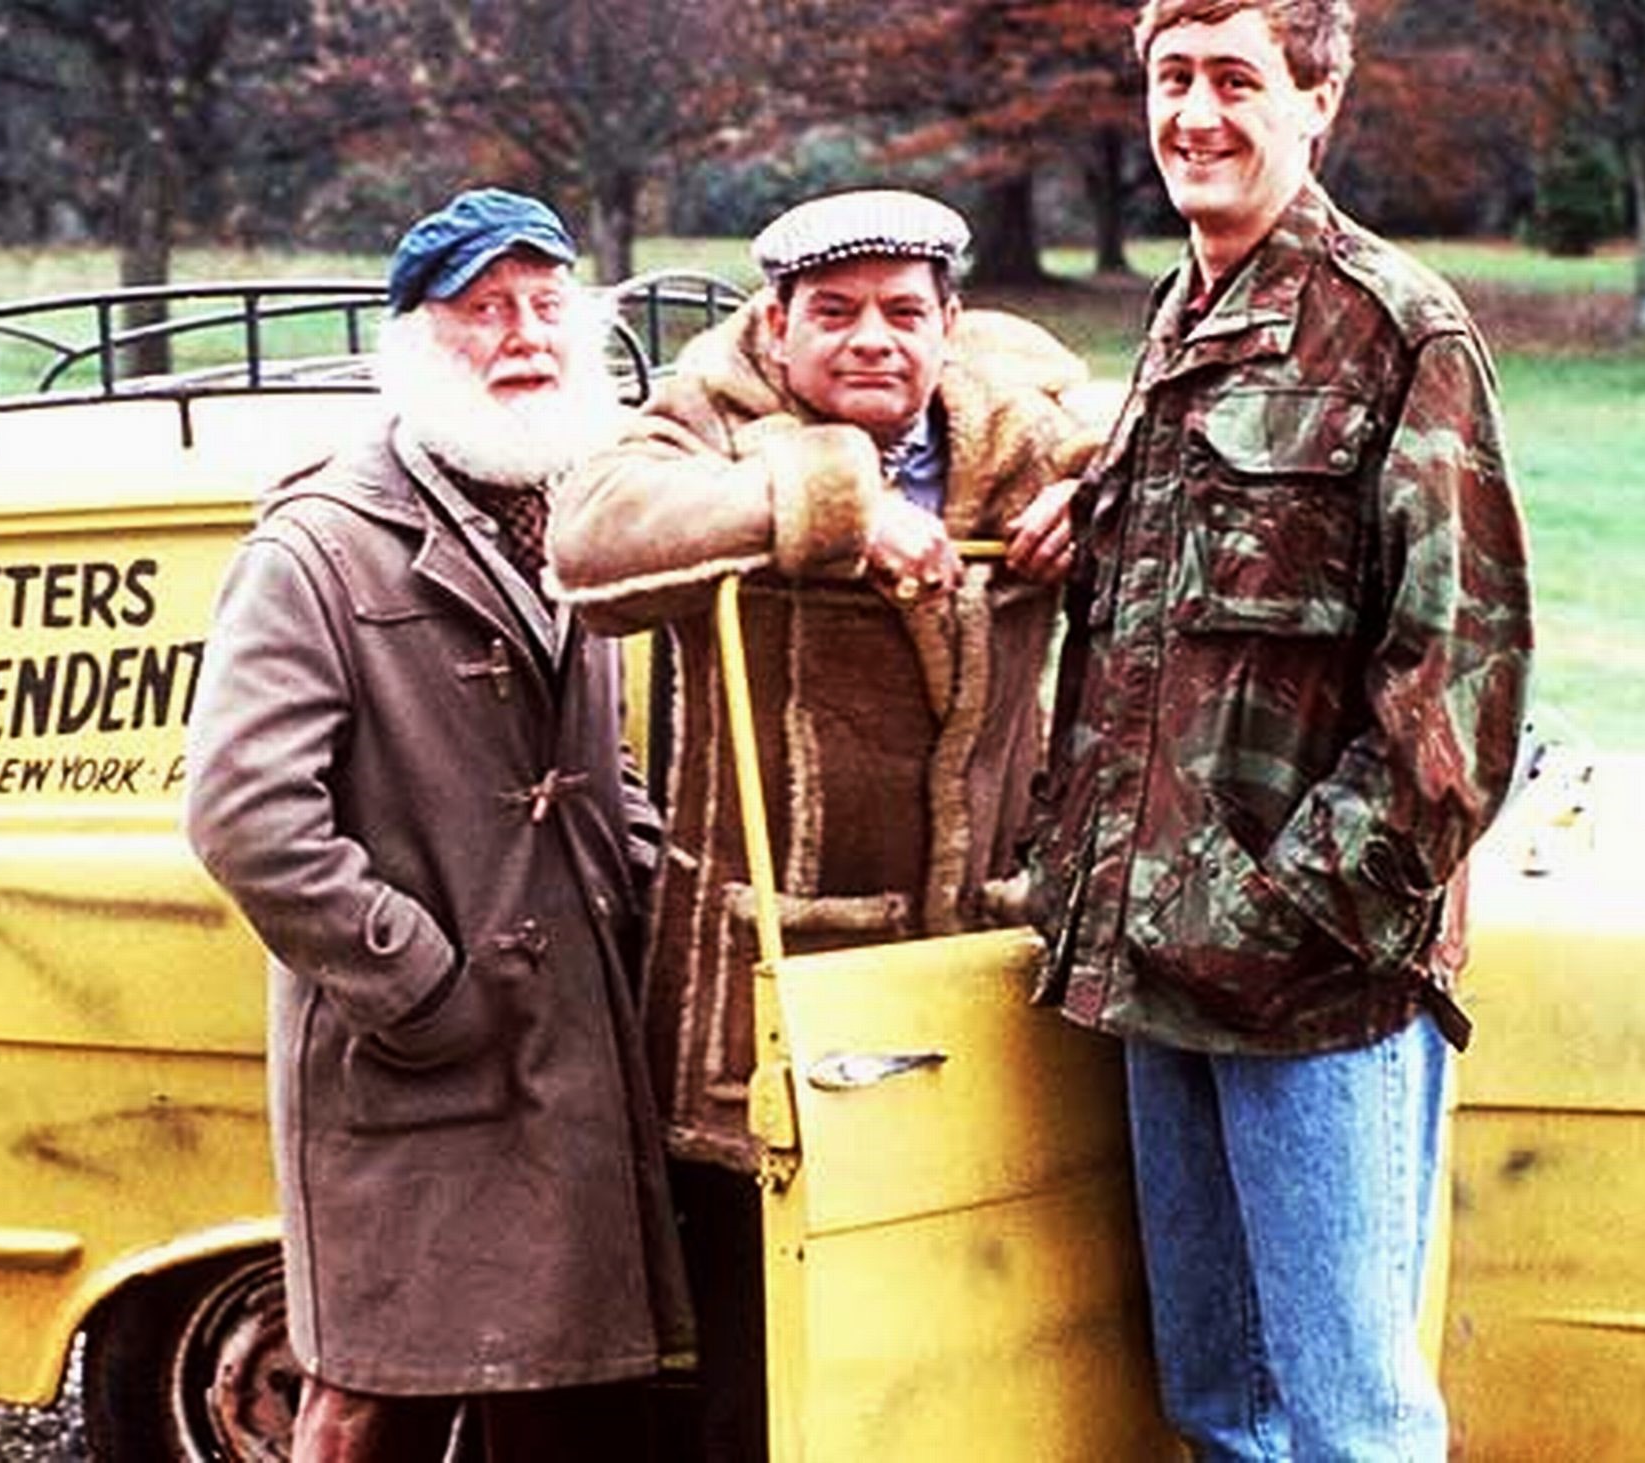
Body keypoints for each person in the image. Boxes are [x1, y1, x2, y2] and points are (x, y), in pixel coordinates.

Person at [1021, 4, 1535, 1459]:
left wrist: (1290, 912)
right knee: (1220, 1409)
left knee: (1349, 1419)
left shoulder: (1396, 327)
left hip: (1312, 988)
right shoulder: (1178, 318)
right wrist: (1087, 511)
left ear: (1318, 100)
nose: (1194, 114)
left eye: (1235, 80)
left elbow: (1462, 683)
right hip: (1156, 968)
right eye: (1171, 77)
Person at [546, 188, 1113, 1460]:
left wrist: (1098, 498)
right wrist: (829, 503)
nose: (872, 339)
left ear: (949, 326)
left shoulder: (1015, 427)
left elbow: (1153, 450)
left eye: (904, 313)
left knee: (961, 1348)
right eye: (835, 312)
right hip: (769, 1002)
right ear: (776, 325)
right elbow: (589, 543)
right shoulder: (711, 418)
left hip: (973, 983)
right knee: (769, 1361)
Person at [183, 187, 692, 1463]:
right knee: (374, 1403)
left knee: (565, 1394)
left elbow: (599, 759)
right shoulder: (316, 547)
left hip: (570, 1053)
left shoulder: (575, 512)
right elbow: (246, 814)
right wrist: (419, 983)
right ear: (416, 342)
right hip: (416, 1063)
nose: (524, 335)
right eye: (483, 309)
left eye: (545, 304)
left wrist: (647, 890)